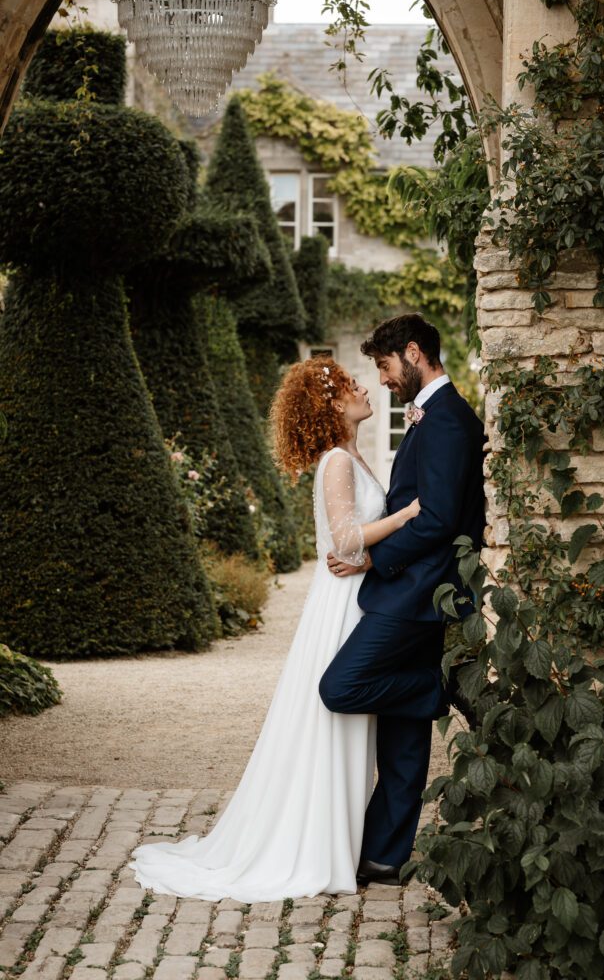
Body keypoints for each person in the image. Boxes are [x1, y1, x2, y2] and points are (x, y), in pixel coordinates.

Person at [126, 356, 419, 901]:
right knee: (337, 720)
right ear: (332, 405)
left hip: (358, 593)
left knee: (351, 724)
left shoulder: (351, 455)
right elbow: (343, 541)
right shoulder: (336, 460)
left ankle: (339, 841)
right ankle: (317, 847)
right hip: (341, 602)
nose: (363, 390)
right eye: (353, 386)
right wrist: (405, 517)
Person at [319, 313, 486, 887]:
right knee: (403, 745)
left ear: (413, 353)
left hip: (416, 593)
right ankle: (384, 858)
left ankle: (433, 689)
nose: (385, 380)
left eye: (386, 367)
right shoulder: (432, 416)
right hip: (415, 590)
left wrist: (372, 559)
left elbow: (437, 517)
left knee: (340, 686)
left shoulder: (444, 422)